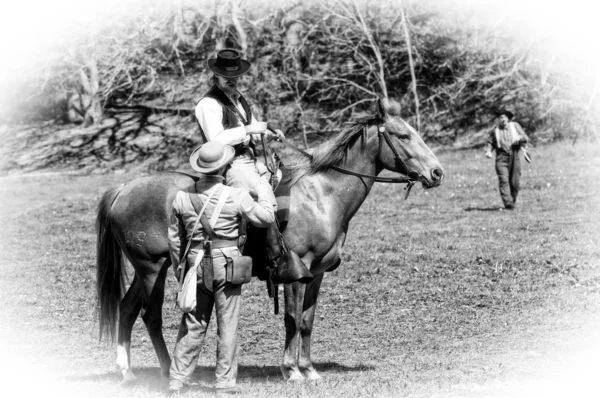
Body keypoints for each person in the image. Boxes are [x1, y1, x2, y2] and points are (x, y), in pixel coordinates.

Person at [194, 48, 312, 284]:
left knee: (282, 177)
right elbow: (216, 139)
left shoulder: (237, 98)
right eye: (228, 77)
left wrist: (268, 132)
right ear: (215, 76)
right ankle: (269, 256)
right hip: (229, 163)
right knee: (263, 190)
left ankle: (283, 239)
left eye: (236, 77)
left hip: (249, 158)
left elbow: (254, 125)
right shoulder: (208, 104)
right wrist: (248, 131)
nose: (233, 81)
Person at [167, 141, 275, 395]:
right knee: (228, 324)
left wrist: (180, 271)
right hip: (227, 263)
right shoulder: (236, 194)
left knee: (193, 323)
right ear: (224, 165)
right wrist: (264, 188)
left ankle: (177, 380)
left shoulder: (182, 197)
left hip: (194, 264)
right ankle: (224, 383)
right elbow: (266, 217)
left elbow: (174, 240)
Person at [484, 109, 530, 210]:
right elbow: (490, 142)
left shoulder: (515, 126)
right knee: (503, 180)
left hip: (515, 155)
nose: (503, 119)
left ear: (508, 118)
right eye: (500, 117)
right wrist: (488, 151)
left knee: (515, 182)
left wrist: (519, 139)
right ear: (498, 120)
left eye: (504, 117)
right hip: (501, 157)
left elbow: (525, 138)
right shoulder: (496, 131)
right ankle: (508, 203)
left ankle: (512, 199)